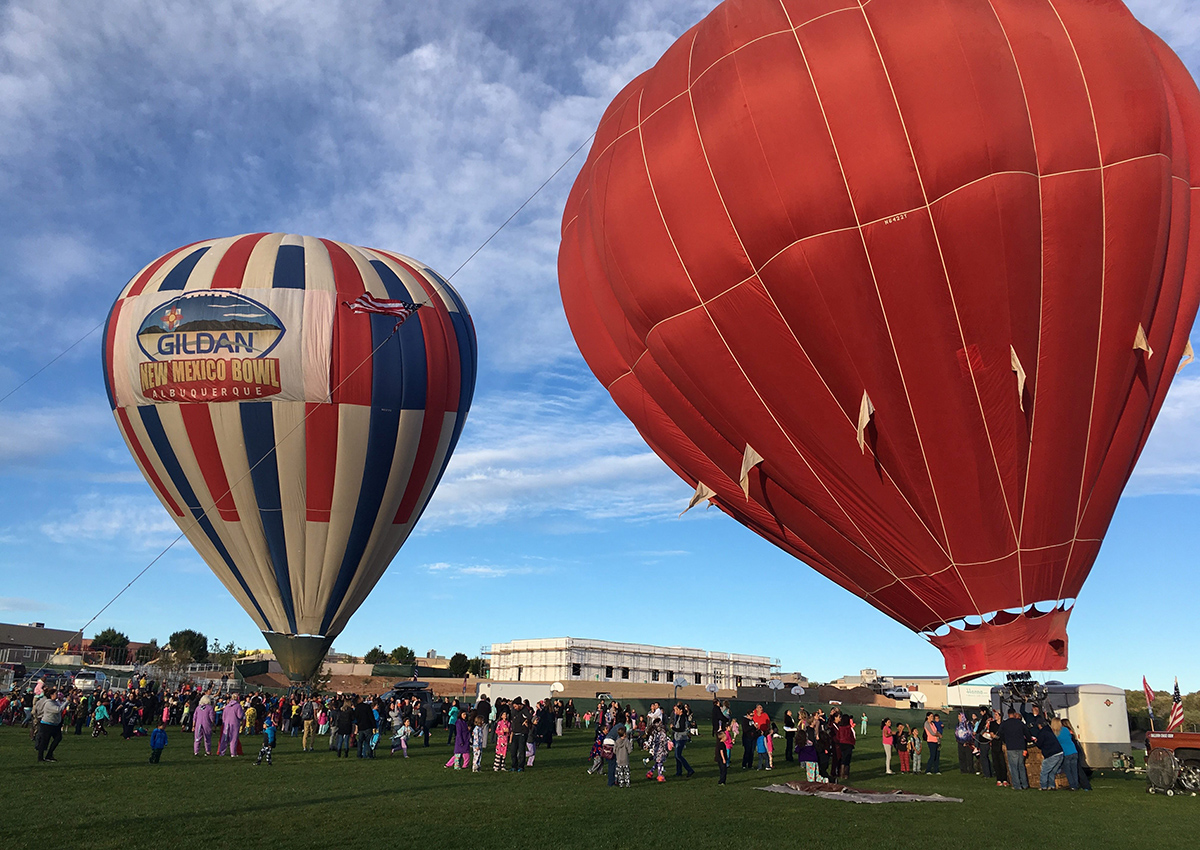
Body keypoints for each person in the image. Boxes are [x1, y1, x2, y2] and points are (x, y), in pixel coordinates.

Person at [998, 708, 1030, 790]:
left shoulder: (1005, 724)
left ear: (1008, 714)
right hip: (1021, 746)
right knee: (1021, 766)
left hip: (1011, 747)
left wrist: (1005, 740)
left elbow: (1000, 733)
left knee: (1013, 767)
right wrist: (1028, 740)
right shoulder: (1020, 723)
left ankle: (1017, 785)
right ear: (1014, 713)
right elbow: (1027, 733)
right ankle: (1025, 784)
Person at [33, 689, 66, 763]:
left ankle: (49, 755)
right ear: (51, 695)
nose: (57, 695)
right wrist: (66, 702)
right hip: (47, 724)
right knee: (44, 741)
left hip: (55, 724)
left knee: (58, 738)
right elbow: (58, 710)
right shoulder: (48, 703)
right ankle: (40, 758)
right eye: (55, 694)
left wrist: (64, 700)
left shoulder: (55, 702)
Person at [1036, 718, 1065, 790]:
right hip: (1060, 753)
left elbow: (1039, 744)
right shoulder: (1049, 730)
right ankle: (1052, 786)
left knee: (1044, 771)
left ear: (1040, 726)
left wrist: (1035, 741)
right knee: (1052, 771)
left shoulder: (1042, 733)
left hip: (1051, 754)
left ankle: (1043, 787)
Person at [672, 704, 695, 778]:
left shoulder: (682, 717)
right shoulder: (679, 717)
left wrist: (673, 728)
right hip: (678, 737)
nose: (675, 711)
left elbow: (681, 728)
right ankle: (679, 771)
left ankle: (689, 770)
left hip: (681, 738)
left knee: (678, 755)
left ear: (680, 710)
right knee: (677, 756)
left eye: (676, 710)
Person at [1056, 717, 1079, 790]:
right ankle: (1076, 784)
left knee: (1068, 770)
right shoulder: (1066, 729)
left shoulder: (1056, 733)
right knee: (1074, 769)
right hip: (1073, 750)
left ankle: (1072, 785)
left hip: (1066, 752)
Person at [836, 714, 856, 780]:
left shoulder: (840, 728)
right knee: (847, 760)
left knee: (843, 759)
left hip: (842, 744)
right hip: (848, 744)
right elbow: (851, 737)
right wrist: (853, 743)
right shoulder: (848, 728)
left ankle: (841, 773)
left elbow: (838, 736)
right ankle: (846, 774)